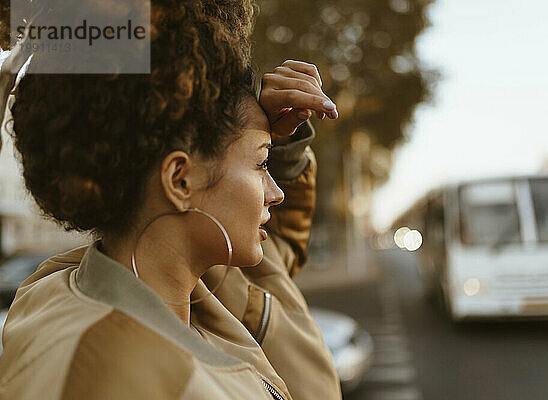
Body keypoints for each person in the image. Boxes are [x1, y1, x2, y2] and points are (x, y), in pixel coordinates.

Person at [0, 1, 342, 399]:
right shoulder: (102, 374)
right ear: (179, 180)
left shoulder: (196, 282)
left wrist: (268, 140)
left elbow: (276, 264)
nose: (277, 191)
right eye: (262, 164)